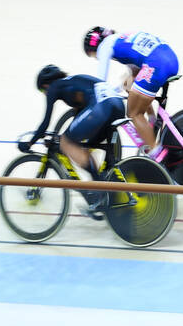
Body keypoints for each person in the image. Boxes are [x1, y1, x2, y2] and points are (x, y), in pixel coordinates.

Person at [18, 65, 126, 218]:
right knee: (81, 147)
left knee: (66, 143)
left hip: (101, 107)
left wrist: (30, 142)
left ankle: (100, 192)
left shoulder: (54, 87)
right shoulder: (74, 82)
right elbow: (80, 118)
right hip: (118, 105)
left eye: (43, 91)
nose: (45, 94)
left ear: (46, 85)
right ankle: (100, 186)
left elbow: (45, 122)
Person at [83, 26, 179, 154]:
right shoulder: (122, 40)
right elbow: (133, 76)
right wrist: (116, 89)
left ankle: (155, 153)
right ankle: (151, 120)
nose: (96, 58)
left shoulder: (104, 46)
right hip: (170, 60)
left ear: (94, 47)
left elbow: (100, 82)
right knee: (132, 88)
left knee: (133, 113)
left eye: (94, 56)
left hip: (156, 64)